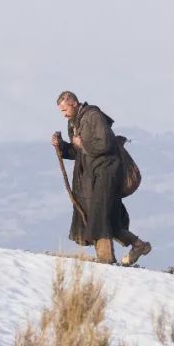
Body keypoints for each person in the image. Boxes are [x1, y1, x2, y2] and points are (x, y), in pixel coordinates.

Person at [51, 91, 152, 265]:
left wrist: (82, 144)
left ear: (74, 104)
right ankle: (138, 245)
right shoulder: (74, 122)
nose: (64, 114)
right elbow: (77, 152)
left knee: (98, 215)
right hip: (91, 176)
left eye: (65, 110)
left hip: (107, 172)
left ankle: (105, 261)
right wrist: (61, 146)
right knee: (104, 216)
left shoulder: (93, 116)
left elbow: (105, 143)